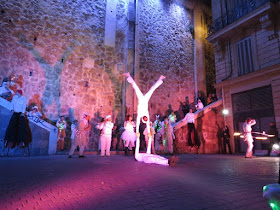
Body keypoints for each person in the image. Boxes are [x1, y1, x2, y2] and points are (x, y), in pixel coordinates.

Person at [123, 72, 165, 154]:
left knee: (139, 89)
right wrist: (149, 132)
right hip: (144, 100)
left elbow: (138, 123)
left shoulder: (140, 116)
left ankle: (129, 76)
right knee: (151, 89)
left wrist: (138, 131)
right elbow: (148, 124)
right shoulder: (146, 114)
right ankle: (160, 79)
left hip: (142, 100)